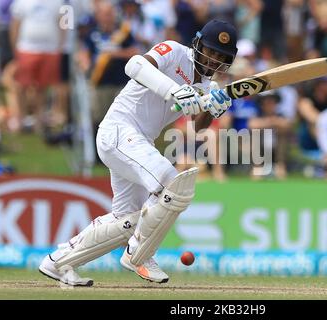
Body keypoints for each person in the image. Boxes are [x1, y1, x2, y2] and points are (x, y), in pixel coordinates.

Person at [38, 19, 237, 286]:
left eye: (220, 57)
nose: (213, 61)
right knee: (172, 183)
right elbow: (133, 65)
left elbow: (197, 126)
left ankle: (58, 262)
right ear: (198, 44)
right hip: (118, 130)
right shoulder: (174, 51)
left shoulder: (205, 87)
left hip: (138, 142)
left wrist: (213, 109)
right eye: (211, 52)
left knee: (127, 221)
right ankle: (139, 255)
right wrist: (174, 90)